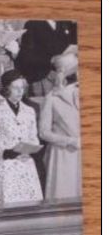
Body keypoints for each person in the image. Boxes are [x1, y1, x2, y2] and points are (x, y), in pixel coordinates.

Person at [0, 70, 43, 206]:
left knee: (28, 206)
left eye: (22, 88)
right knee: (7, 205)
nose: (20, 91)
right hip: (6, 165)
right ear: (6, 89)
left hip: (26, 165)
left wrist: (31, 148)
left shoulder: (29, 111)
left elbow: (34, 138)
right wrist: (5, 152)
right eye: (16, 88)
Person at [39, 54, 81, 200]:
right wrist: (70, 141)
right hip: (63, 155)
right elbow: (44, 132)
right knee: (65, 196)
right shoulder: (52, 98)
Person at [15, 20, 77, 96]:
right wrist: (50, 60)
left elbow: (73, 44)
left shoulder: (65, 23)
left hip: (68, 76)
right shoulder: (32, 24)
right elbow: (25, 56)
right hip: (42, 77)